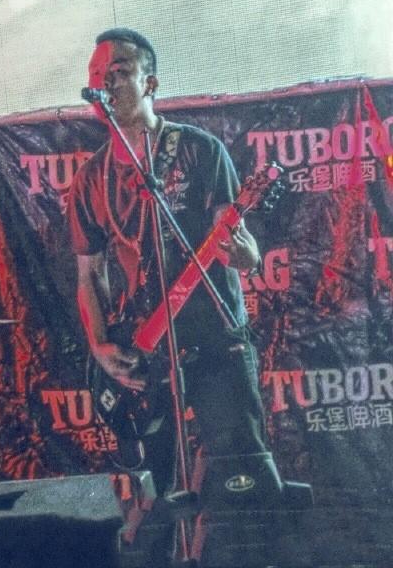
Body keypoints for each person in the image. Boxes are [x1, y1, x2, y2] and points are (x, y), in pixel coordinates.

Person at [67, 28, 269, 496]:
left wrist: (249, 257)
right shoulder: (91, 178)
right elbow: (89, 275)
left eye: (119, 71)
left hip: (214, 339)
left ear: (150, 83)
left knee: (241, 477)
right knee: (155, 490)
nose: (105, 83)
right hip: (145, 349)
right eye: (96, 74)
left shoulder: (199, 150)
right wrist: (100, 344)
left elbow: (234, 238)